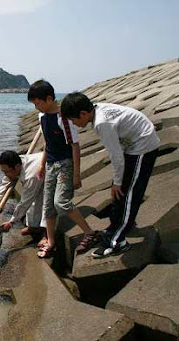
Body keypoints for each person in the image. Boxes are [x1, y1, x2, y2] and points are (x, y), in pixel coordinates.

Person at [60, 92, 160, 258]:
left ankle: (117, 241)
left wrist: (117, 182)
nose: (74, 124)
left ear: (83, 113)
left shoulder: (102, 123)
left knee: (128, 193)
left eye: (73, 120)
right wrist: (117, 182)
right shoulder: (97, 110)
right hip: (134, 143)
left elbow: (116, 156)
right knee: (120, 191)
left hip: (143, 146)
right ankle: (118, 225)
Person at [27, 80, 98, 258]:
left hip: (65, 164)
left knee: (62, 202)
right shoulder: (41, 117)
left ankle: (89, 232)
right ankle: (51, 241)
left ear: (49, 98)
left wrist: (76, 175)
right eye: (34, 104)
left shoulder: (63, 119)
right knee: (48, 206)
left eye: (38, 103)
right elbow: (48, 144)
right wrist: (42, 164)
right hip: (50, 165)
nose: (37, 108)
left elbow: (75, 146)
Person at [0, 150, 47, 246]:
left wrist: (11, 222)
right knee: (34, 201)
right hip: (39, 171)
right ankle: (34, 227)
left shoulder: (30, 176)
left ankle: (46, 235)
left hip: (53, 170)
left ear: (17, 167)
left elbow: (25, 202)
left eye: (7, 171)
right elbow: (6, 180)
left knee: (46, 201)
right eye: (3, 172)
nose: (5, 174)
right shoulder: (18, 162)